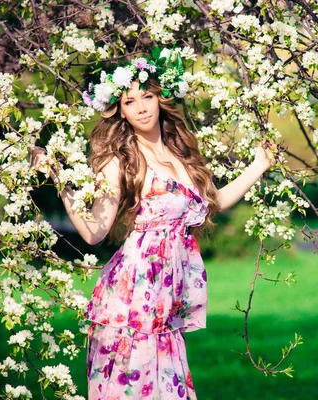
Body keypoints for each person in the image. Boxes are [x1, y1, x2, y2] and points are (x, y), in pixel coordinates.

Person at [31, 49, 275, 399]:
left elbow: (210, 204)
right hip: (131, 300)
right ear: (121, 110)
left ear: (160, 99)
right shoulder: (122, 161)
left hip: (165, 303)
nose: (142, 107)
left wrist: (259, 166)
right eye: (130, 101)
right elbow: (93, 230)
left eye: (147, 96)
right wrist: (57, 174)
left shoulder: (179, 155)